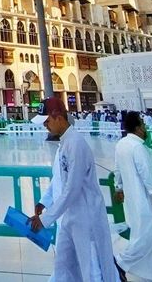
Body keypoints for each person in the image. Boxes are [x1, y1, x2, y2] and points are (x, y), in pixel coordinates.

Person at [28, 97, 120, 282]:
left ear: (59, 117)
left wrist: (45, 219)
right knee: (63, 265)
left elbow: (72, 188)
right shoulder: (65, 143)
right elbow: (59, 179)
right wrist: (45, 201)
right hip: (69, 217)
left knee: (91, 268)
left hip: (86, 218)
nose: (46, 126)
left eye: (47, 121)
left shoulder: (76, 144)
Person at [112, 111, 152, 282]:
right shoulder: (137, 147)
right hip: (143, 200)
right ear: (138, 128)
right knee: (147, 236)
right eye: (143, 124)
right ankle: (120, 262)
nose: (145, 127)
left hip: (132, 200)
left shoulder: (121, 144)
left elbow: (117, 168)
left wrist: (118, 188)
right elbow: (146, 175)